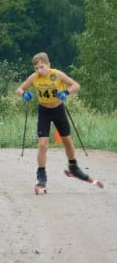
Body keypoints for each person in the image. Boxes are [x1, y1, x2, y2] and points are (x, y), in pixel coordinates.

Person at [16, 52, 89, 190]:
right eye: (36, 68)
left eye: (42, 67)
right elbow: (19, 89)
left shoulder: (57, 74)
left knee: (67, 141)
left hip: (58, 109)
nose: (39, 70)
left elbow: (76, 85)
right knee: (43, 144)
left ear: (48, 65)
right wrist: (24, 94)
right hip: (44, 111)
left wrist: (66, 92)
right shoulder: (34, 77)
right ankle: (41, 174)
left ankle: (73, 167)